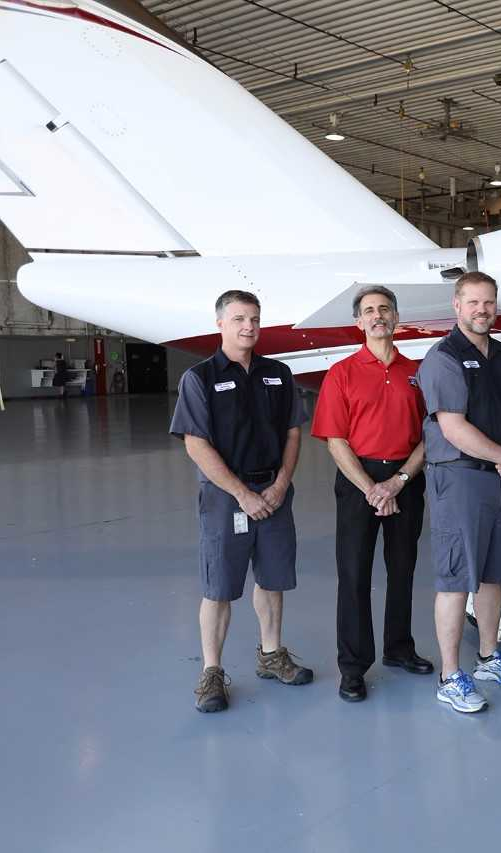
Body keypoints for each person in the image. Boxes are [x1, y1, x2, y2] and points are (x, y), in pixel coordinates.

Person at [169, 290, 313, 713]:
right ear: (220, 324)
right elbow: (196, 444)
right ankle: (211, 672)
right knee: (219, 588)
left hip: (274, 493)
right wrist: (242, 494)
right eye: (238, 319)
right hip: (226, 499)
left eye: (254, 319)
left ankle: (271, 655)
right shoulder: (199, 378)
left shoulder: (278, 374)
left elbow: (292, 432)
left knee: (272, 580)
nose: (248, 326)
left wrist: (281, 484)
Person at [417, 272, 501, 713]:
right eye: (473, 302)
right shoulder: (444, 358)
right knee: (456, 578)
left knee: (492, 573)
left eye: (488, 302)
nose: (482, 310)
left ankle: (488, 657)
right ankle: (450, 676)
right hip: (461, 478)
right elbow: (453, 427)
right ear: (457, 305)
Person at [312, 285, 433, 703]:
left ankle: (399, 648)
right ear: (358, 322)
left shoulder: (416, 373)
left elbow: (430, 435)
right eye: (369, 311)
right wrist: (372, 489)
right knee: (354, 574)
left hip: (405, 481)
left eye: (384, 309)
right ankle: (353, 667)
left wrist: (397, 482)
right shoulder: (342, 373)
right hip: (357, 482)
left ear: (396, 318)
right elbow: (335, 440)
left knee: (403, 569)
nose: (377, 316)